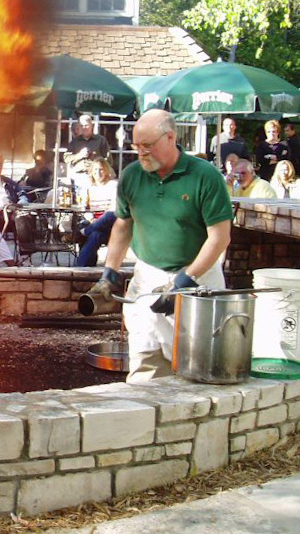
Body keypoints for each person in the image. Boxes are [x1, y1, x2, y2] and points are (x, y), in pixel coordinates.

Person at [88, 109, 232, 383]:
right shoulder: (132, 176)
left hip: (199, 277)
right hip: (148, 274)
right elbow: (122, 225)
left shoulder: (205, 177)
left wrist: (186, 278)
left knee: (200, 364)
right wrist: (109, 273)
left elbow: (219, 238)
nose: (140, 152)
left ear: (170, 137)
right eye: (136, 146)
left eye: (147, 145)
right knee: (146, 357)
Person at [74, 158, 118, 267]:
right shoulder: (90, 188)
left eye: (101, 170)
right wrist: (90, 218)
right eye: (95, 170)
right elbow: (86, 208)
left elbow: (115, 208)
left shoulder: (113, 185)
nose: (98, 173)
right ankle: (86, 268)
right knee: (95, 235)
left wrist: (98, 221)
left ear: (107, 171)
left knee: (108, 216)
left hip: (110, 226)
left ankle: (79, 270)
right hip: (95, 225)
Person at [64, 114, 110, 183]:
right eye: (82, 126)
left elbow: (108, 160)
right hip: (78, 175)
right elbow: (66, 158)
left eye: (86, 125)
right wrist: (79, 155)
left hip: (96, 176)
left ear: (92, 126)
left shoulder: (101, 140)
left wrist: (97, 161)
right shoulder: (75, 141)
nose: (84, 128)